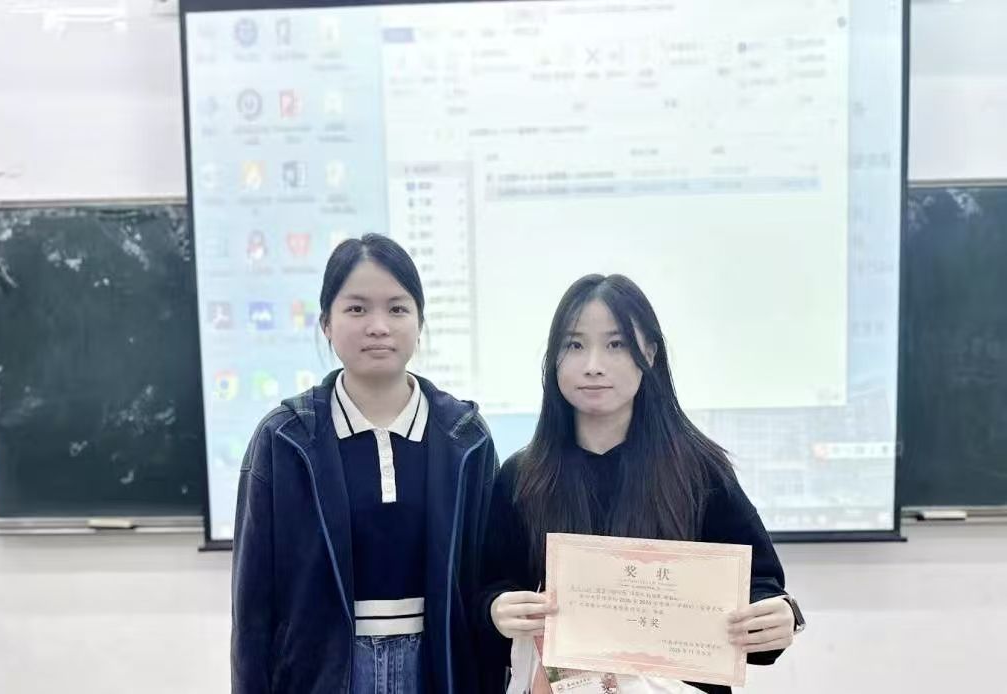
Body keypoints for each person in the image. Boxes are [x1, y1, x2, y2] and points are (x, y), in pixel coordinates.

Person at [478, 274, 803, 694]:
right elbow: (489, 587)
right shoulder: (523, 475)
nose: (593, 364)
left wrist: (778, 616)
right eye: (574, 345)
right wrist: (496, 610)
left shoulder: (699, 470)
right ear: (553, 358)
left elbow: (761, 585)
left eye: (616, 344)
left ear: (648, 353)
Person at [232, 233, 498, 693]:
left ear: (420, 322)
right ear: (326, 323)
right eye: (357, 309)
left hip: (437, 671)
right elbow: (252, 604)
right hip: (324, 674)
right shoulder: (284, 440)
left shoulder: (466, 439)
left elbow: (485, 586)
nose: (378, 326)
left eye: (397, 309)